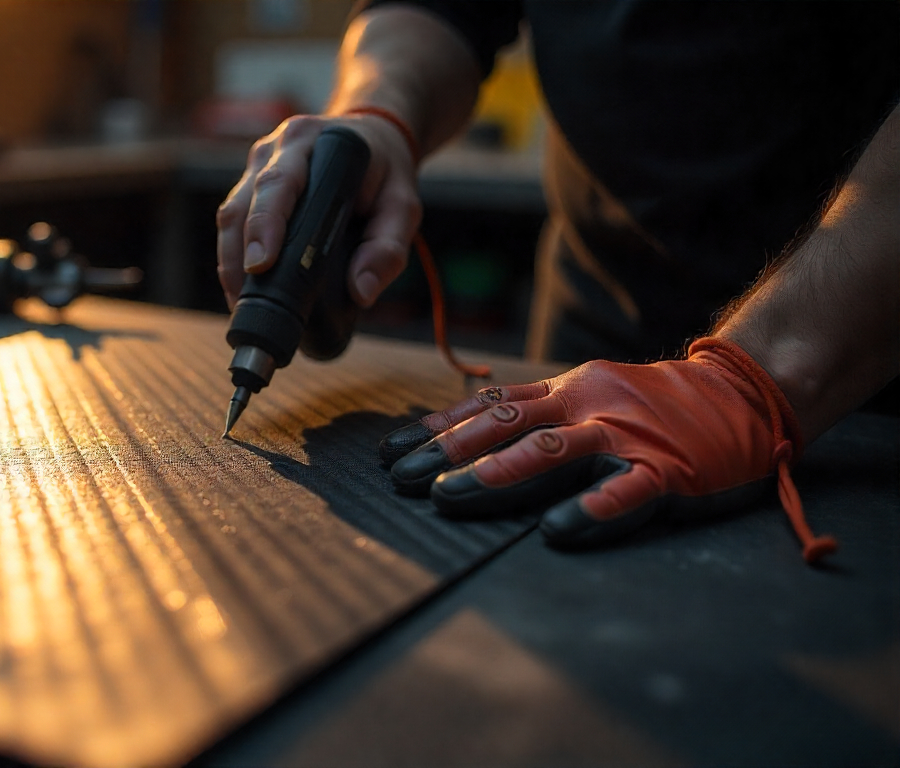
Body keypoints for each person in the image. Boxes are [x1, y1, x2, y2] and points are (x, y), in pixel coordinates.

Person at [214, 1, 900, 561]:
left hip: (850, 390)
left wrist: (758, 378)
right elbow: (433, 10)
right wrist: (379, 110)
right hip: (579, 356)